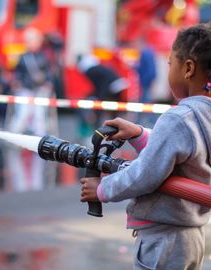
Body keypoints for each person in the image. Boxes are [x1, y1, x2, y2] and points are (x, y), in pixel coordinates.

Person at [80, 22, 211, 270]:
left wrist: (101, 189)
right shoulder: (203, 116)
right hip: (192, 235)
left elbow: (146, 173)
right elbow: (187, 151)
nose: (168, 69)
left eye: (170, 64)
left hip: (164, 239)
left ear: (188, 68)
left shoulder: (179, 118)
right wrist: (139, 134)